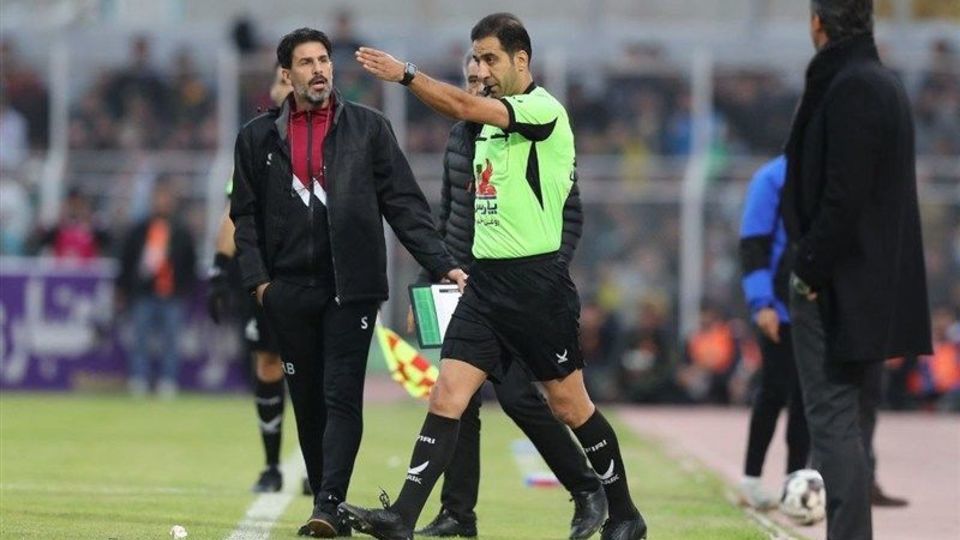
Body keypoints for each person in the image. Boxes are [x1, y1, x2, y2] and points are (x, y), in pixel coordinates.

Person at [341, 13, 647, 540]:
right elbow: (455, 208)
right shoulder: (479, 132)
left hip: (537, 288)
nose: (480, 69)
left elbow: (465, 106)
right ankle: (402, 518)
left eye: (489, 59)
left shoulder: (543, 110)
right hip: (483, 285)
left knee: (568, 405)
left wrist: (405, 74)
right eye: (475, 59)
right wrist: (436, 275)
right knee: (447, 395)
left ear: (520, 60)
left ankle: (624, 514)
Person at [230, 27, 464, 538]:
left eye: (324, 60)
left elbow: (404, 205)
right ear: (286, 74)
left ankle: (328, 503)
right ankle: (327, 503)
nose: (319, 70)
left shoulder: (369, 128)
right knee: (307, 401)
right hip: (287, 291)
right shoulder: (256, 137)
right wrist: (260, 285)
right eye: (306, 62)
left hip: (352, 287)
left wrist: (443, 263)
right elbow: (243, 217)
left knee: (340, 395)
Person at [412, 52, 606, 540]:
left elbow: (568, 213)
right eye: (470, 79)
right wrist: (429, 280)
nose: (477, 85)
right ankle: (457, 514)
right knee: (457, 400)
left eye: (483, 78)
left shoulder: (527, 130)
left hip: (518, 288)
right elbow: (448, 215)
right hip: (463, 285)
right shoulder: (461, 137)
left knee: (519, 396)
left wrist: (542, 275)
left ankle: (587, 487)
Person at [782, 2, 932, 539]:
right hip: (867, 280)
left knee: (833, 421)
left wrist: (808, 268)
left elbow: (842, 196)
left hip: (838, 284)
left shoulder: (851, 87)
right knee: (848, 418)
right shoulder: (881, 83)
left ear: (817, 23)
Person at [207, 64, 306, 494]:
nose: (286, 87)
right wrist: (218, 267)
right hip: (265, 274)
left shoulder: (329, 138)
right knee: (267, 363)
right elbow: (235, 211)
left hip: (311, 271)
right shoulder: (254, 143)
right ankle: (271, 466)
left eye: (291, 80)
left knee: (314, 370)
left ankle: (319, 467)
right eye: (280, 81)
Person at [737, 155, 809, 509]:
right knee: (774, 391)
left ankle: (795, 483)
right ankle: (751, 479)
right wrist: (761, 302)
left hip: (816, 309)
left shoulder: (830, 172)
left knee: (806, 399)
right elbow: (753, 243)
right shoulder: (772, 178)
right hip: (778, 307)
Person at [117, 180, 197, 398]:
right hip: (144, 293)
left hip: (172, 294)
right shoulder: (139, 229)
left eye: (165, 198)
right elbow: (127, 260)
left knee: (172, 340)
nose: (162, 202)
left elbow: (189, 262)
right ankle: (139, 379)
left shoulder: (181, 231)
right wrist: (124, 288)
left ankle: (168, 380)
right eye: (158, 198)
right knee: (140, 338)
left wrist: (183, 287)